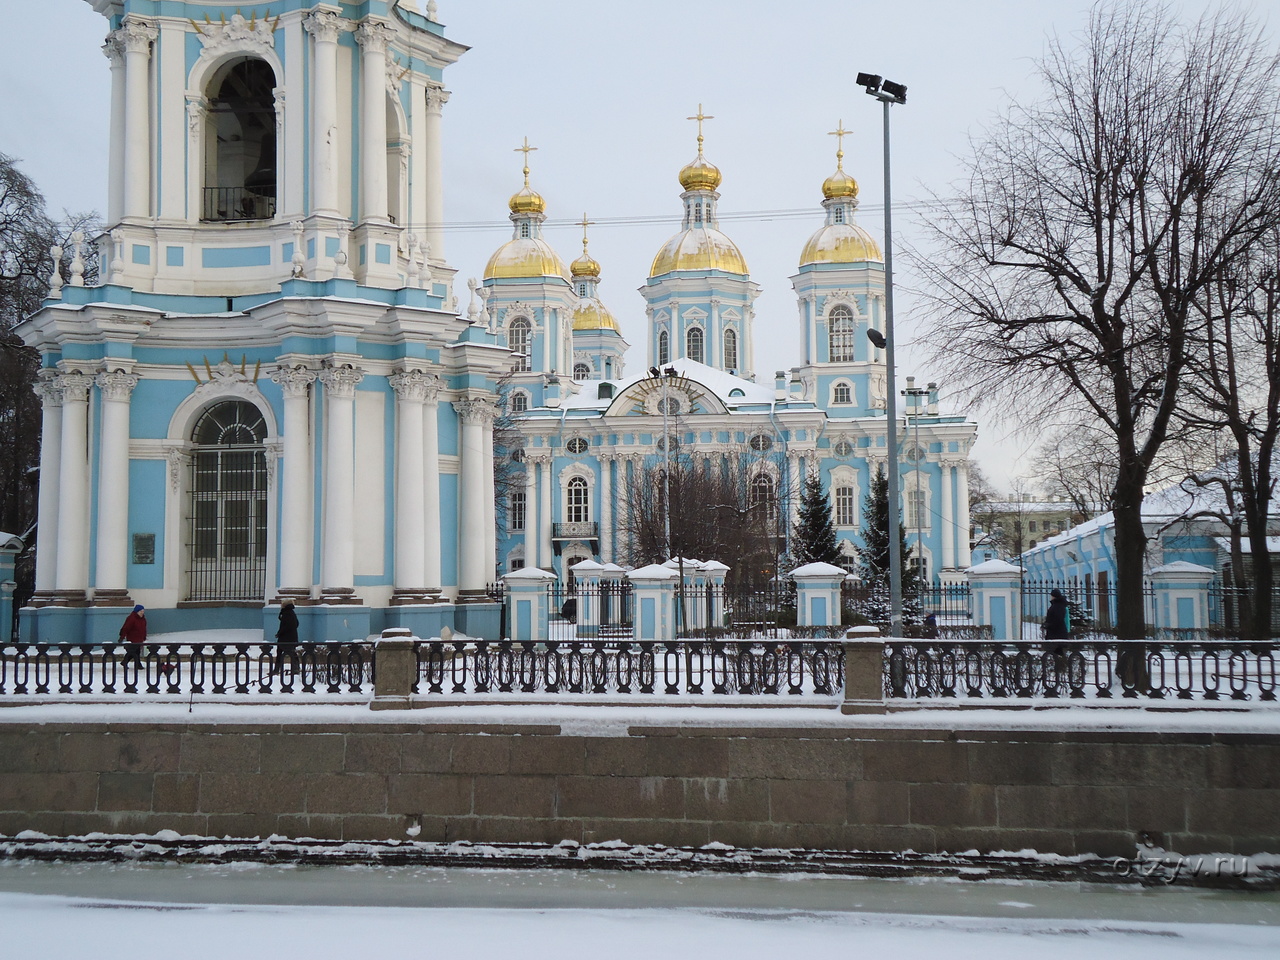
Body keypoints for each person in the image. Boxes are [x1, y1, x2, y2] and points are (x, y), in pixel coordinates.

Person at [274, 598, 300, 677]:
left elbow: (285, 626)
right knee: (291, 652)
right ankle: (295, 668)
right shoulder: (291, 613)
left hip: (285, 638)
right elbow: (296, 624)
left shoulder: (287, 613)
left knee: (283, 652)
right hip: (291, 637)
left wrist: (279, 633)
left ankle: (277, 669)